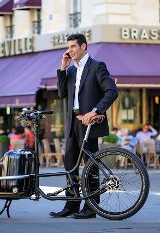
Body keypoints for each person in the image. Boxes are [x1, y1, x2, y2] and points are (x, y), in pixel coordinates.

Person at [50, 33, 118, 219]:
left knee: (90, 166)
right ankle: (72, 204)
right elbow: (62, 93)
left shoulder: (97, 66)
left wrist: (95, 111)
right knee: (70, 165)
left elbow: (111, 92)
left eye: (73, 46)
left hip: (89, 123)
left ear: (84, 47)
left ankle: (91, 207)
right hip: (72, 122)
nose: (69, 50)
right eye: (68, 47)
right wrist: (63, 68)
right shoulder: (71, 70)